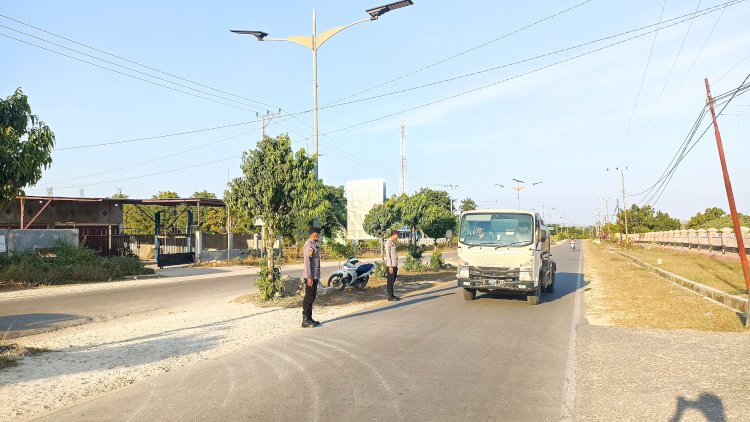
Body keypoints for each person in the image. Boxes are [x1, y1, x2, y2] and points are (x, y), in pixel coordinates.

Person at [302, 226, 322, 328]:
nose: (318, 236)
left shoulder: (315, 244)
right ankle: (305, 320)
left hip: (315, 275)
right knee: (309, 297)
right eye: (316, 235)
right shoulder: (308, 245)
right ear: (311, 234)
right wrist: (309, 276)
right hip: (310, 276)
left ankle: (309, 318)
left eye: (318, 235)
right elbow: (307, 262)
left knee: (312, 296)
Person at [384, 229, 401, 301]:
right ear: (393, 235)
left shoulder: (392, 242)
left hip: (394, 264)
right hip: (391, 265)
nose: (398, 236)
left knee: (393, 280)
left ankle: (392, 295)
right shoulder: (388, 242)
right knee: (390, 281)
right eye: (397, 235)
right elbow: (388, 255)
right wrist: (390, 266)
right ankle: (390, 296)